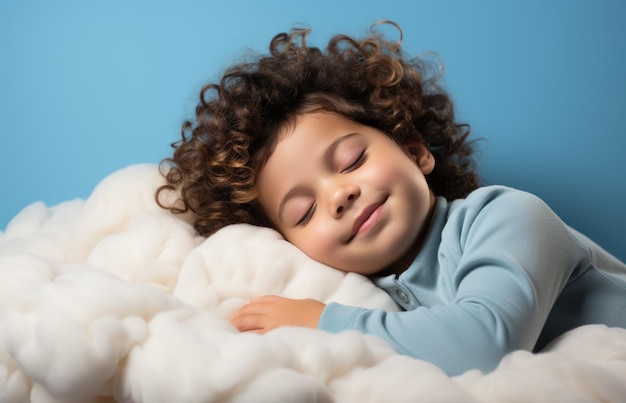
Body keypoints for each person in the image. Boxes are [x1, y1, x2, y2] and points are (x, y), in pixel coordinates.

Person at [156, 22, 626, 376]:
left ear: (415, 150)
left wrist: (320, 321)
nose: (339, 194)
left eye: (352, 160)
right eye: (305, 211)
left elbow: (484, 344)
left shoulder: (509, 216)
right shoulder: (374, 298)